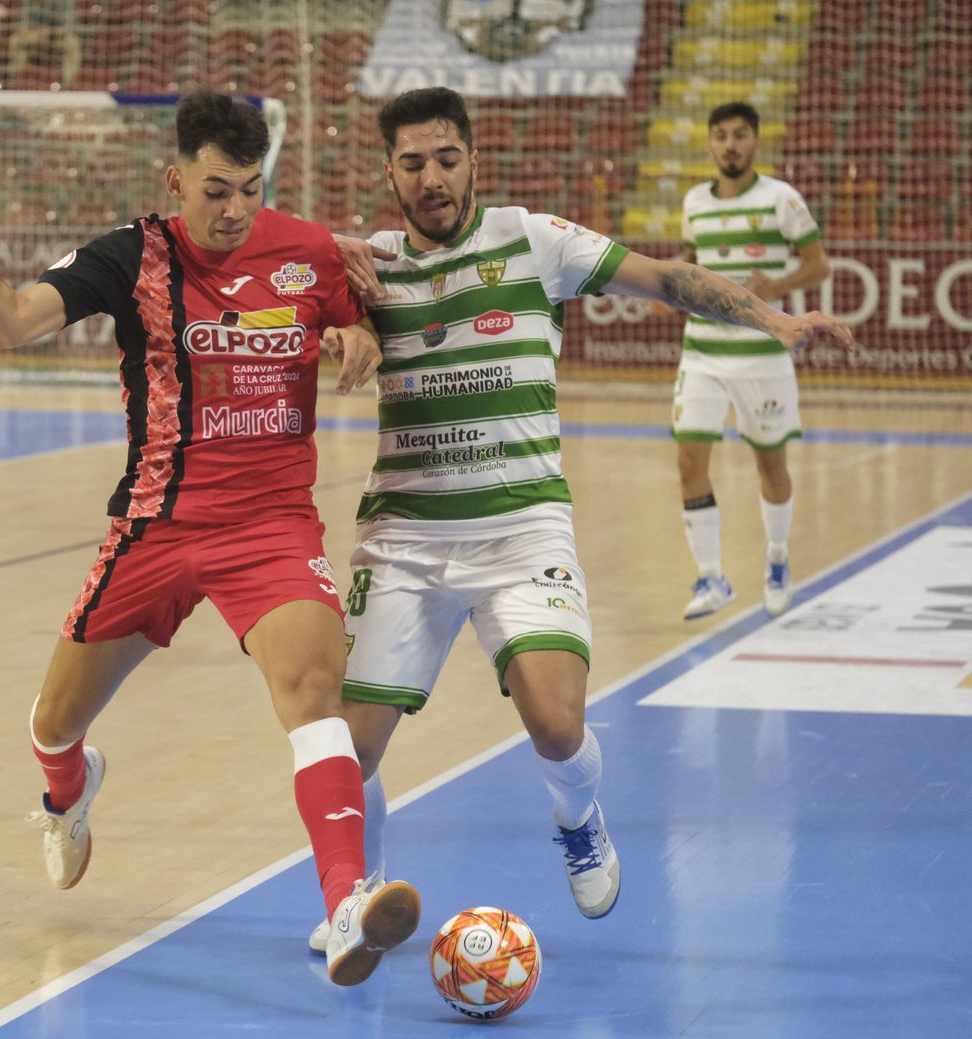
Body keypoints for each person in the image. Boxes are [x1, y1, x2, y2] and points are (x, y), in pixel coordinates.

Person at [313, 86, 852, 953]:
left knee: (559, 726)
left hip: (523, 528)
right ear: (390, 173)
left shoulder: (532, 238)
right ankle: (357, 898)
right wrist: (336, 303)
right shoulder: (365, 263)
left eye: (447, 157)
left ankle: (578, 816)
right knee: (349, 749)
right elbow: (265, 272)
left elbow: (666, 278)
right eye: (412, 163)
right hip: (405, 538)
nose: (432, 177)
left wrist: (772, 317)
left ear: (473, 160)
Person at [0, 89, 418, 987]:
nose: (233, 211)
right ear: (175, 178)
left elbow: (358, 314)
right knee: (54, 725)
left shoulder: (306, 250)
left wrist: (358, 333)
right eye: (215, 190)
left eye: (250, 190)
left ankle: (347, 904)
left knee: (314, 694)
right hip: (155, 527)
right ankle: (68, 792)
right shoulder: (131, 255)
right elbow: (9, 326)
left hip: (271, 525)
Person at [669, 101, 831, 620]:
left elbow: (819, 265)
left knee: (770, 463)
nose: (730, 145)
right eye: (721, 136)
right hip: (702, 353)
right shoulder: (694, 201)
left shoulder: (782, 199)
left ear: (755, 140)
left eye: (740, 135)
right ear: (711, 143)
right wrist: (673, 284)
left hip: (762, 355)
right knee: (689, 460)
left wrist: (776, 287)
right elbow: (693, 262)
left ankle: (778, 560)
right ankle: (711, 577)